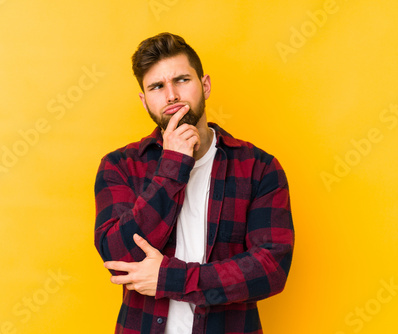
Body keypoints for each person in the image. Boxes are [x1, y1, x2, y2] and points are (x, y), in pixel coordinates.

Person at [94, 32, 294, 334]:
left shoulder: (259, 168)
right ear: (144, 99)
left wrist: (171, 279)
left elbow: (270, 269)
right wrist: (173, 166)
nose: (171, 95)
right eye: (157, 87)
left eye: (182, 80)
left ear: (205, 85)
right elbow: (118, 255)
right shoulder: (120, 166)